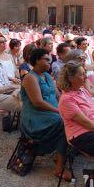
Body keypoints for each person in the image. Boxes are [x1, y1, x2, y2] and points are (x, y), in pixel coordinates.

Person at [20, 48, 69, 180]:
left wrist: (68, 107)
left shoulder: (46, 76)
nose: (50, 62)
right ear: (37, 60)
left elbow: (58, 95)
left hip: (50, 113)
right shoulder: (30, 77)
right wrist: (60, 111)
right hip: (35, 118)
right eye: (46, 60)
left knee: (71, 119)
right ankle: (59, 168)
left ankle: (61, 154)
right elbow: (37, 103)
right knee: (65, 123)